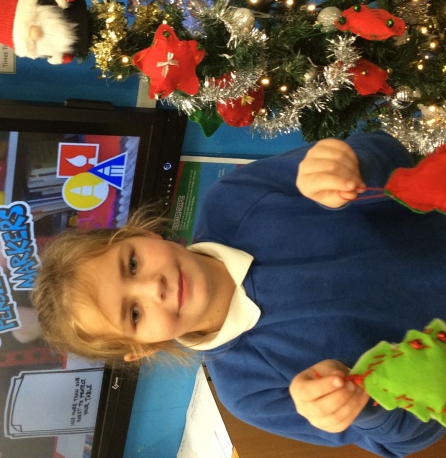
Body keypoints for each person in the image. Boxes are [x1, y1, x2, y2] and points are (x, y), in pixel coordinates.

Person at [31, 131, 446, 458]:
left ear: (141, 234)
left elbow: (389, 153)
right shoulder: (251, 392)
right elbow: (414, 435)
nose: (153, 287)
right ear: (141, 349)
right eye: (134, 313)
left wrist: (350, 163)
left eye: (133, 264)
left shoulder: (237, 197)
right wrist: (362, 405)